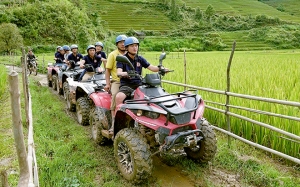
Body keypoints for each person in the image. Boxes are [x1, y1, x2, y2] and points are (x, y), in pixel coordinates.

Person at [110, 36, 168, 134]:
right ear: (127, 48)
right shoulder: (122, 59)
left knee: (153, 98)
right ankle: (114, 123)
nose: (134, 48)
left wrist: (161, 68)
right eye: (132, 46)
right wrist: (126, 73)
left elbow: (151, 67)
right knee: (119, 97)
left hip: (139, 85)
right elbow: (119, 72)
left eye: (136, 45)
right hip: (127, 85)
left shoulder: (139, 58)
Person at [104, 34, 127, 123]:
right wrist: (107, 83)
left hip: (130, 81)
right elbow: (108, 70)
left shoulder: (130, 54)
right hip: (117, 81)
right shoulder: (113, 55)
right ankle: (114, 121)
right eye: (120, 42)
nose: (123, 44)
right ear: (117, 44)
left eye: (124, 42)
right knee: (115, 95)